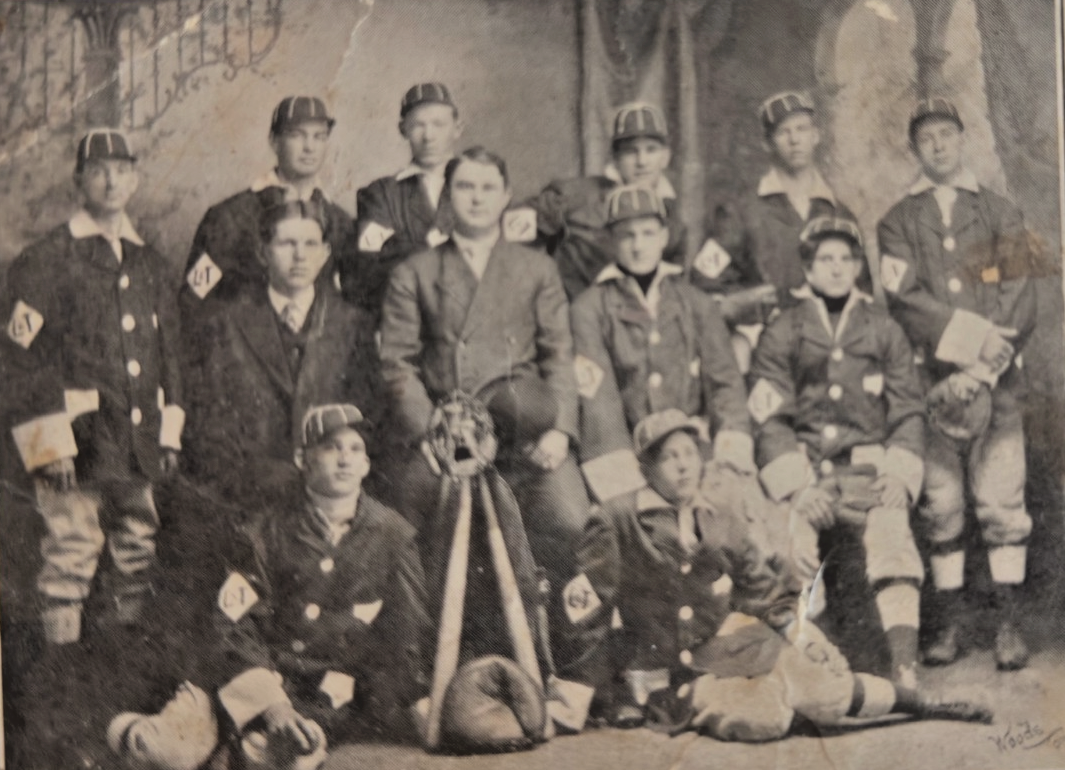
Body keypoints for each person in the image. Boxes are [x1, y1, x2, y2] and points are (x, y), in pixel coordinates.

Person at [548, 410, 991, 739]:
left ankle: (920, 703)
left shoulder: (719, 512)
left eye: (689, 453)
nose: (683, 465)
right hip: (664, 676)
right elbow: (585, 610)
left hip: (724, 647)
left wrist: (805, 638)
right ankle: (794, 699)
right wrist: (580, 698)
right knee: (764, 717)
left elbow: (762, 590)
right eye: (667, 457)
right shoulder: (616, 518)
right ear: (644, 469)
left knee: (821, 685)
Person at [106, 404, 432, 770]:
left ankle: (237, 754)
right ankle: (140, 730)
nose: (344, 459)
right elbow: (233, 624)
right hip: (240, 685)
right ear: (302, 460)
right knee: (167, 753)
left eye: (355, 449)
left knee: (290, 758)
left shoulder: (394, 536)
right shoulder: (264, 533)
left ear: (367, 465)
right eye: (330, 447)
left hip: (322, 700)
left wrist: (418, 704)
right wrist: (270, 704)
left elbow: (408, 638)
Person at [379, 145, 589, 605]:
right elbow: (397, 363)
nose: (477, 198)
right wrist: (431, 427)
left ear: (507, 196)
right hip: (447, 430)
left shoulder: (537, 268)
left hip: (526, 427)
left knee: (570, 518)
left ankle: (547, 648)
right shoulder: (415, 272)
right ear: (448, 198)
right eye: (465, 187)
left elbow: (559, 356)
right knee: (416, 525)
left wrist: (560, 431)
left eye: (488, 187)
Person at [1, 129, 184, 645]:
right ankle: (61, 685)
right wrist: (46, 445)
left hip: (135, 440)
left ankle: (113, 680)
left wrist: (168, 434)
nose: (111, 180)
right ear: (79, 179)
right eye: (99, 170)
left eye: (122, 169)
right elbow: (19, 362)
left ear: (136, 179)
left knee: (136, 548)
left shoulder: (150, 262)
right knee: (71, 550)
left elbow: (170, 356)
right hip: (73, 443)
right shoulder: (46, 259)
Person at [877, 97, 1038, 670]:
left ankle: (1008, 626)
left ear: (963, 137)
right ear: (915, 148)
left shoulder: (1000, 212)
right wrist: (967, 352)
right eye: (927, 138)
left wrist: (983, 370)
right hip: (934, 388)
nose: (939, 145)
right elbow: (905, 301)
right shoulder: (897, 221)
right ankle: (949, 625)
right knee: (942, 505)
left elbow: (1019, 296)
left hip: (998, 383)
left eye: (947, 133)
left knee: (1000, 502)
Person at [747, 216, 926, 689]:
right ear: (807, 267)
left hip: (867, 470)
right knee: (794, 549)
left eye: (845, 258)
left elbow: (909, 409)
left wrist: (899, 476)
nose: (836, 268)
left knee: (893, 536)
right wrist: (799, 487)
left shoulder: (883, 329)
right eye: (825, 258)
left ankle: (905, 666)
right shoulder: (784, 329)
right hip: (809, 472)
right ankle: (815, 663)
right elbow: (770, 418)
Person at [185, 200, 381, 511]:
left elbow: (368, 416)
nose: (300, 255)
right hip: (246, 498)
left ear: (326, 254)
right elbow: (207, 426)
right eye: (287, 243)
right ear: (263, 253)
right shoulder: (223, 324)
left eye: (310, 244)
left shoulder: (353, 325)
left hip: (331, 499)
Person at [569, 185, 753, 503]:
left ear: (664, 237)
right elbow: (600, 404)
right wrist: (626, 486)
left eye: (648, 233)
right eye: (627, 236)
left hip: (697, 454)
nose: (639, 246)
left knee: (728, 518)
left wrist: (726, 462)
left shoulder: (696, 303)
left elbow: (726, 386)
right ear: (610, 241)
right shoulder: (588, 309)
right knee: (640, 529)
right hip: (634, 456)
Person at [179, 96, 356, 375]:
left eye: (319, 137)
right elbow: (193, 301)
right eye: (297, 135)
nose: (309, 147)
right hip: (240, 365)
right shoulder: (230, 217)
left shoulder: (341, 223)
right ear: (274, 142)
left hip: (317, 372)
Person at [694, 91, 857, 371]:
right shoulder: (740, 211)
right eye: (783, 132)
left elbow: (859, 295)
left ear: (816, 136)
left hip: (830, 351)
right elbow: (703, 282)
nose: (794, 140)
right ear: (767, 143)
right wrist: (738, 305)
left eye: (802, 129)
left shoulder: (839, 215)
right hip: (763, 350)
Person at [526, 102, 688, 300]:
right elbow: (509, 237)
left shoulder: (673, 223)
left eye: (651, 150)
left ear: (665, 157)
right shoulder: (572, 196)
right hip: (571, 314)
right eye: (631, 151)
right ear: (615, 157)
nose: (642, 162)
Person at [351, 82, 464, 319]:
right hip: (405, 324)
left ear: (457, 128)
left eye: (439, 124)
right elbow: (369, 266)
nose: (429, 136)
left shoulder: (481, 187)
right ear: (403, 130)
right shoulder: (381, 194)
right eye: (418, 126)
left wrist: (406, 249)